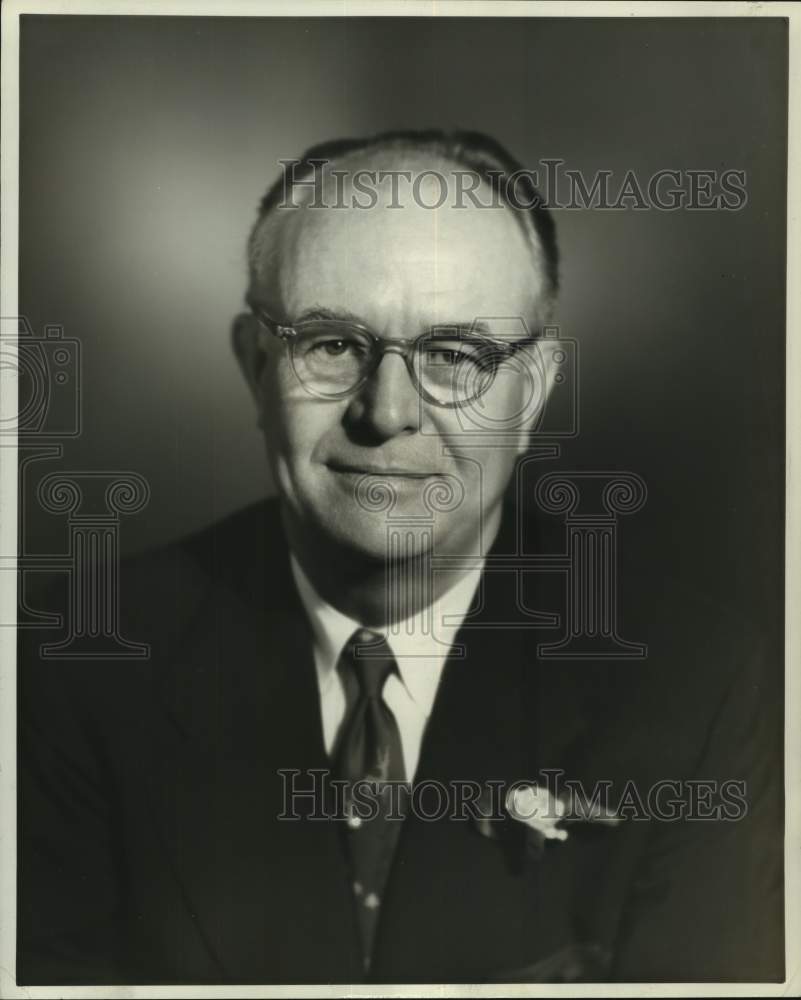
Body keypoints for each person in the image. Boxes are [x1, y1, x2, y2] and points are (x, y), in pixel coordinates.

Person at [18, 130, 783, 985]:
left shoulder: (693, 681)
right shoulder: (71, 662)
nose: (386, 413)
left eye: (455, 355)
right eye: (332, 345)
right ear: (254, 364)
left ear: (529, 394)